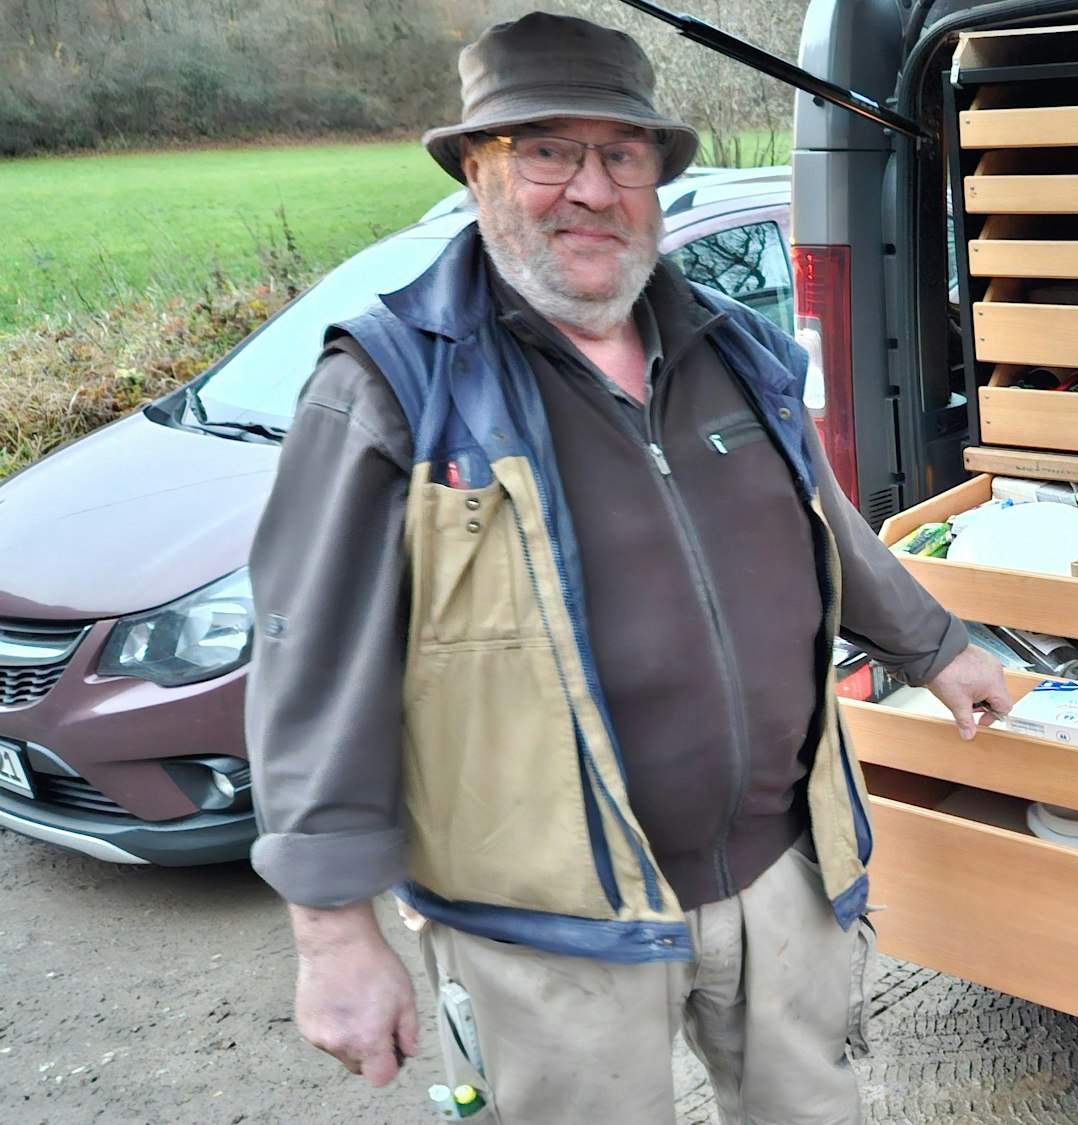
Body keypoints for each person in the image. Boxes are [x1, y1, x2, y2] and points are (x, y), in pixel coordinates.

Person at [244, 13, 1011, 1124]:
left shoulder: (729, 345)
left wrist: (933, 647)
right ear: (474, 171)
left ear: (654, 177)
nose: (591, 189)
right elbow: (307, 659)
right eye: (546, 151)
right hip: (551, 922)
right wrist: (331, 931)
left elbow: (817, 520)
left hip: (777, 872)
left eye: (622, 154)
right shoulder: (388, 386)